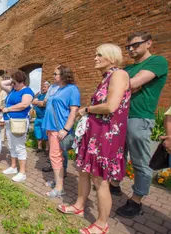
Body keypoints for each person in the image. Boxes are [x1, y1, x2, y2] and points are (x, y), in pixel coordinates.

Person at [58, 44, 130, 234]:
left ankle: (101, 223)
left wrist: (87, 110)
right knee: (83, 170)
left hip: (106, 136)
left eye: (99, 55)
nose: (95, 58)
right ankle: (80, 205)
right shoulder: (106, 77)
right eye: (95, 54)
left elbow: (111, 106)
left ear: (112, 58)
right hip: (94, 133)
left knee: (100, 179)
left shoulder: (119, 75)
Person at [109, 32, 169, 218]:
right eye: (128, 47)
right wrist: (124, 86)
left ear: (149, 43)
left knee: (140, 162)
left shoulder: (157, 62)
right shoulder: (127, 67)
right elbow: (117, 87)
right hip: (120, 117)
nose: (131, 49)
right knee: (118, 155)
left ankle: (136, 201)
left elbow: (131, 84)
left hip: (139, 117)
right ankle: (115, 185)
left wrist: (125, 85)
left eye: (135, 45)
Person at [42, 65, 80, 198]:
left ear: (64, 75)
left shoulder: (72, 89)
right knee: (57, 156)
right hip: (51, 127)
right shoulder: (58, 89)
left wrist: (65, 129)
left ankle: (60, 188)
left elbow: (74, 111)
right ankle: (58, 181)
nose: (53, 76)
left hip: (59, 129)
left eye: (56, 74)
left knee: (55, 157)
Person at [1, 70, 34, 182]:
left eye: (15, 83)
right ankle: (14, 167)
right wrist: (12, 80)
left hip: (19, 122)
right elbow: (2, 84)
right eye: (12, 83)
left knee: (19, 146)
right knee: (11, 145)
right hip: (9, 121)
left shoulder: (27, 91)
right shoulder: (13, 90)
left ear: (22, 82)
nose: (12, 85)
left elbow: (24, 104)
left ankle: (22, 172)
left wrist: (8, 109)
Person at [42, 83, 70, 174]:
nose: (54, 76)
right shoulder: (52, 87)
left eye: (56, 74)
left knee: (61, 149)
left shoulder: (67, 88)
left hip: (59, 124)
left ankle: (63, 170)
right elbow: (45, 101)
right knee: (54, 152)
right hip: (50, 123)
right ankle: (54, 167)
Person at [32, 81, 50, 154]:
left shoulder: (49, 96)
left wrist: (38, 102)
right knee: (38, 132)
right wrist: (41, 103)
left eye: (45, 87)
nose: (43, 88)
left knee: (45, 134)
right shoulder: (40, 95)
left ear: (49, 88)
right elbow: (33, 102)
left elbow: (45, 104)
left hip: (45, 118)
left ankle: (47, 149)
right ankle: (39, 147)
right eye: (42, 87)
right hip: (38, 118)